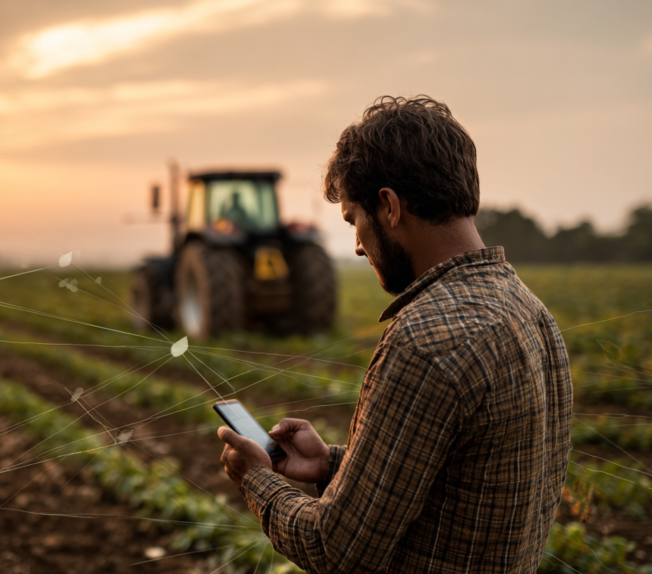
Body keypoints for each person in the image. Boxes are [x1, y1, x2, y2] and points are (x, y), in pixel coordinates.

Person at [217, 95, 572, 573]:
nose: (358, 245)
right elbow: (465, 485)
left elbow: (335, 550)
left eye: (353, 220)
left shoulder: (424, 341)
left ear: (388, 206)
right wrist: (333, 465)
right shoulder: (532, 313)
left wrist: (257, 480)